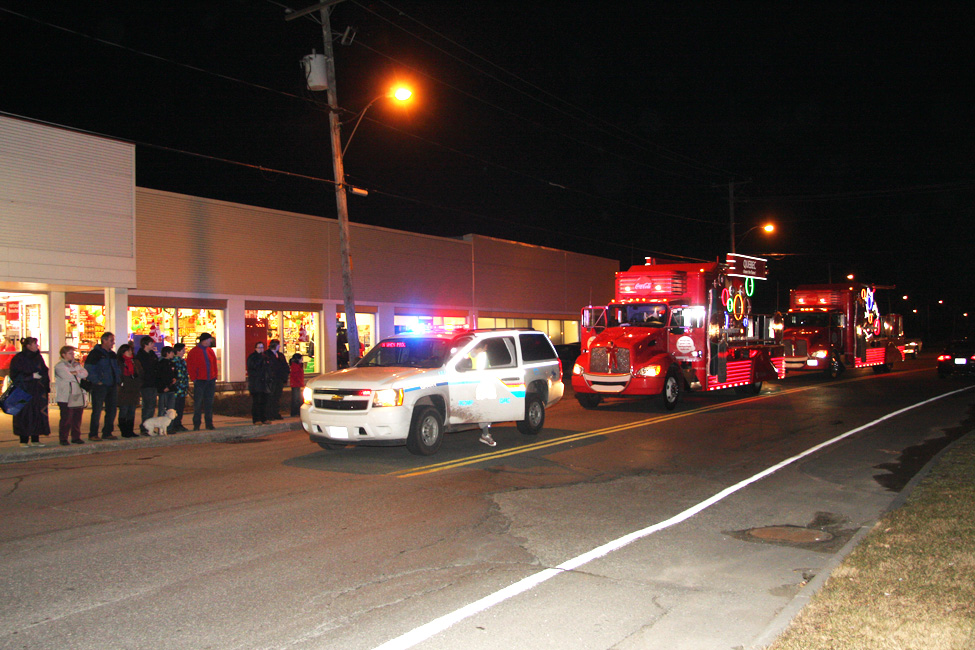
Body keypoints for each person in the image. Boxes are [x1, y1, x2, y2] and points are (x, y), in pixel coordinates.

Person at [9, 337, 51, 448]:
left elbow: (44, 371)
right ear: (28, 346)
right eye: (34, 344)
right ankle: (23, 440)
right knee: (25, 415)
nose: (37, 346)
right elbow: (14, 375)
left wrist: (45, 385)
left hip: (37, 390)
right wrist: (30, 376)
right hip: (24, 391)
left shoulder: (38, 357)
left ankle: (35, 439)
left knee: (37, 413)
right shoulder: (19, 358)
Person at [84, 331, 121, 441]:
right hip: (100, 386)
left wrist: (118, 379)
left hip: (112, 385)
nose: (112, 343)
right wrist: (97, 381)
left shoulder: (112, 354)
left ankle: (107, 432)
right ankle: (93, 433)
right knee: (97, 410)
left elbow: (116, 368)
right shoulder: (95, 354)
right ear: (104, 340)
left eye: (113, 340)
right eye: (111, 340)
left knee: (111, 410)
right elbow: (89, 369)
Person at [53, 345, 88, 446]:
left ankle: (76, 437)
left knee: (77, 418)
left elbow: (85, 373)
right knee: (66, 418)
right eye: (70, 353)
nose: (72, 355)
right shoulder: (60, 366)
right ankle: (63, 438)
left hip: (77, 394)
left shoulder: (76, 364)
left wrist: (76, 372)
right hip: (65, 396)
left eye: (73, 353)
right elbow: (69, 377)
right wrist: (77, 373)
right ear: (63, 355)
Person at [186, 332, 218, 430]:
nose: (210, 341)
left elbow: (214, 364)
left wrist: (214, 376)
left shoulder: (210, 351)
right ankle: (197, 423)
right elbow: (190, 366)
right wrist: (194, 378)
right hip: (200, 380)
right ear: (204, 340)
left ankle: (209, 423)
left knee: (209, 403)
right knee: (198, 403)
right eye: (209, 339)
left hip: (210, 380)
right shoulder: (194, 352)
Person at [116, 343, 145, 438]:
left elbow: (140, 373)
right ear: (122, 352)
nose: (130, 352)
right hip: (124, 389)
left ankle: (130, 430)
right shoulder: (119, 362)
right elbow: (118, 375)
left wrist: (139, 383)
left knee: (132, 410)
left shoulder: (135, 362)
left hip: (134, 388)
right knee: (124, 409)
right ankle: (124, 430)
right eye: (128, 351)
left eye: (130, 350)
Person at [135, 336, 159, 434]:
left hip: (153, 383)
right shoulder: (141, 356)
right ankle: (145, 426)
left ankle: (149, 426)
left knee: (152, 405)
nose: (153, 345)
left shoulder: (152, 354)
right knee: (148, 406)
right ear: (146, 344)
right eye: (151, 343)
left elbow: (156, 366)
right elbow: (143, 370)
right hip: (146, 384)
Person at [264, 339, 289, 421]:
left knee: (277, 397)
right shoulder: (266, 355)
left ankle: (276, 413)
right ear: (275, 345)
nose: (280, 346)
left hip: (279, 379)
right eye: (278, 345)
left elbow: (285, 366)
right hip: (271, 380)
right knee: (270, 397)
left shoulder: (280, 355)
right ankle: (269, 414)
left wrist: (284, 376)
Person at [246, 342, 270, 425]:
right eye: (259, 347)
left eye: (262, 347)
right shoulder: (252, 357)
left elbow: (268, 369)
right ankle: (256, 419)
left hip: (264, 383)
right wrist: (260, 358)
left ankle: (264, 418)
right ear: (255, 348)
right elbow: (253, 367)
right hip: (256, 383)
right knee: (257, 401)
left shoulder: (265, 357)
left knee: (264, 401)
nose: (261, 349)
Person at [171, 343, 189, 432]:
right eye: (182, 350)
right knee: (175, 407)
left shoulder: (182, 361)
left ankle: (178, 423)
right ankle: (174, 424)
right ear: (178, 351)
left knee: (180, 407)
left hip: (183, 388)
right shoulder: (174, 361)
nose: (184, 351)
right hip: (177, 389)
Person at [156, 346, 177, 421]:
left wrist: (175, 378)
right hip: (164, 389)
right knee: (163, 409)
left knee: (171, 409)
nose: (173, 354)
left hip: (171, 388)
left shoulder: (171, 363)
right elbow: (160, 377)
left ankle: (169, 427)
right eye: (171, 352)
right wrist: (164, 387)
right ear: (167, 353)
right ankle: (161, 426)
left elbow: (175, 373)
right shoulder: (161, 363)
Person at [289, 352, 305, 417]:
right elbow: (296, 376)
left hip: (297, 384)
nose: (302, 360)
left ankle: (296, 412)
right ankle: (295, 412)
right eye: (301, 358)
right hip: (296, 384)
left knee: (297, 398)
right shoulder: (295, 366)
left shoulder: (298, 366)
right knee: (296, 399)